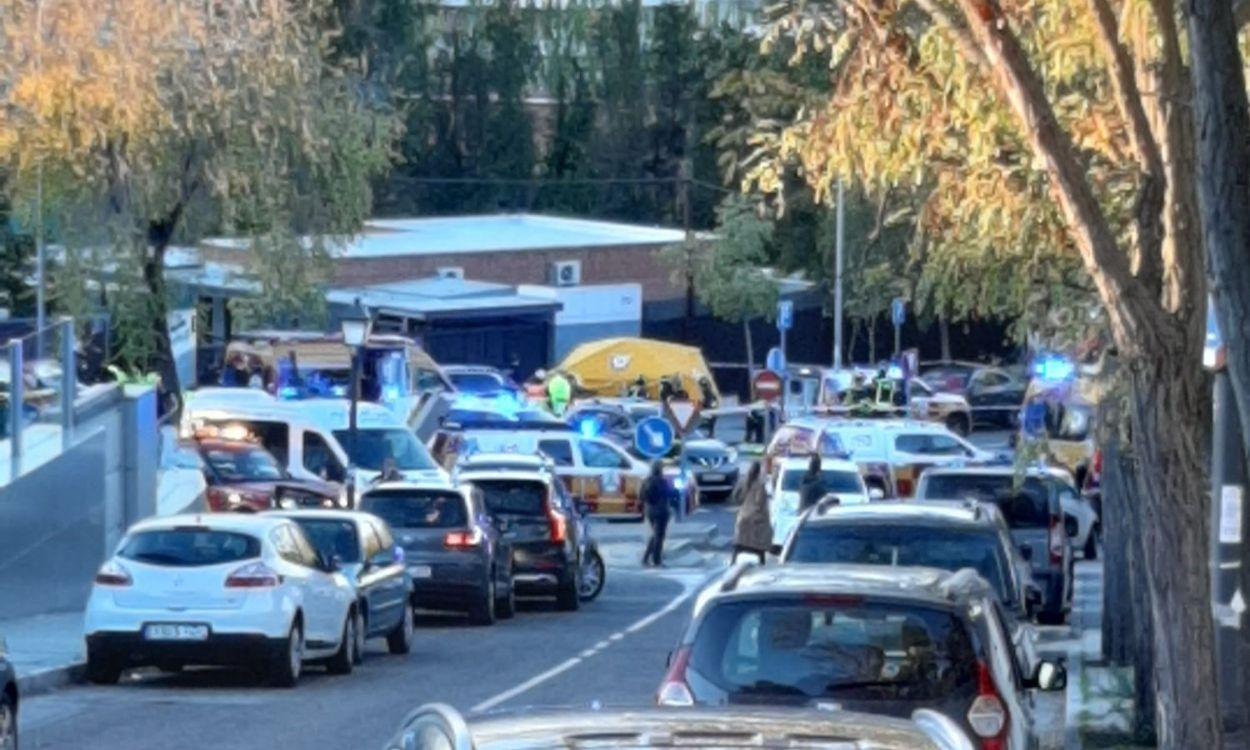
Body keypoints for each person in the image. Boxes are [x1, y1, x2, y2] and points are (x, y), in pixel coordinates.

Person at [731, 462, 771, 565]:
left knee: (739, 545)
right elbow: (759, 502)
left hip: (743, 517)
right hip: (755, 520)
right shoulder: (760, 485)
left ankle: (732, 563)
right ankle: (762, 565)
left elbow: (735, 497)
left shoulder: (744, 482)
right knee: (759, 547)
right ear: (759, 471)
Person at [641, 461, 674, 567]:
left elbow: (641, 496)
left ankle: (646, 558)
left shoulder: (646, 481)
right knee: (659, 536)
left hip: (650, 510)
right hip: (662, 511)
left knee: (655, 535)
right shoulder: (662, 481)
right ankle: (656, 560)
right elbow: (668, 494)